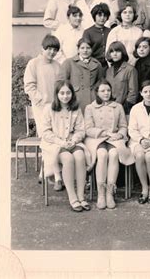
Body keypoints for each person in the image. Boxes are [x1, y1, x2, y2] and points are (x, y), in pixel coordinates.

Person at [40, 80, 92, 212]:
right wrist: (62, 142)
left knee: (80, 156)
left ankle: (81, 195)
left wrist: (74, 140)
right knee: (68, 159)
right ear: (56, 94)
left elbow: (81, 130)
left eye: (68, 93)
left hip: (72, 141)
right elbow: (45, 132)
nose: (65, 96)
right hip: (54, 144)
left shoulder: (75, 108)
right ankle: (72, 197)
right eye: (62, 93)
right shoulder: (49, 108)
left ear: (72, 94)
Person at [84, 80, 133, 209]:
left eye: (108, 90)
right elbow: (88, 128)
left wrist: (120, 134)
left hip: (114, 139)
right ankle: (101, 193)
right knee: (102, 153)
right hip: (96, 139)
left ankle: (110, 192)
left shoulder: (117, 106)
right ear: (97, 92)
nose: (106, 93)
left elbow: (123, 126)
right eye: (102, 91)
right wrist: (103, 132)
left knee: (114, 153)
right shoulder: (90, 107)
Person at [24, 34, 63, 189]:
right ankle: (57, 176)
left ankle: (44, 172)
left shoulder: (57, 65)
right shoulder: (33, 64)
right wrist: (42, 100)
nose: (52, 52)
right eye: (49, 49)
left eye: (55, 50)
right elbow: (29, 86)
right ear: (43, 48)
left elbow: (61, 87)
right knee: (47, 139)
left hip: (56, 108)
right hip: (41, 109)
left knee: (56, 138)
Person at [58, 38, 103, 113]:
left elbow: (100, 83)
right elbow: (61, 83)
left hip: (93, 100)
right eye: (82, 48)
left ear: (92, 49)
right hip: (75, 99)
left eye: (88, 48)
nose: (85, 50)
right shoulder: (69, 63)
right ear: (78, 49)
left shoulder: (97, 64)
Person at [105, 41, 138, 114]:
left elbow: (133, 92)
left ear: (122, 52)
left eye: (117, 51)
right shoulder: (109, 71)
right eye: (112, 52)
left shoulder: (130, 69)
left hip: (125, 108)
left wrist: (125, 106)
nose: (115, 54)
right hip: (109, 107)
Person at [82, 3, 111, 69]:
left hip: (109, 66)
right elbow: (86, 50)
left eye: (105, 16)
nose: (102, 18)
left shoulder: (111, 31)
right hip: (93, 65)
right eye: (99, 15)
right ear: (94, 16)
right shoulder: (88, 32)